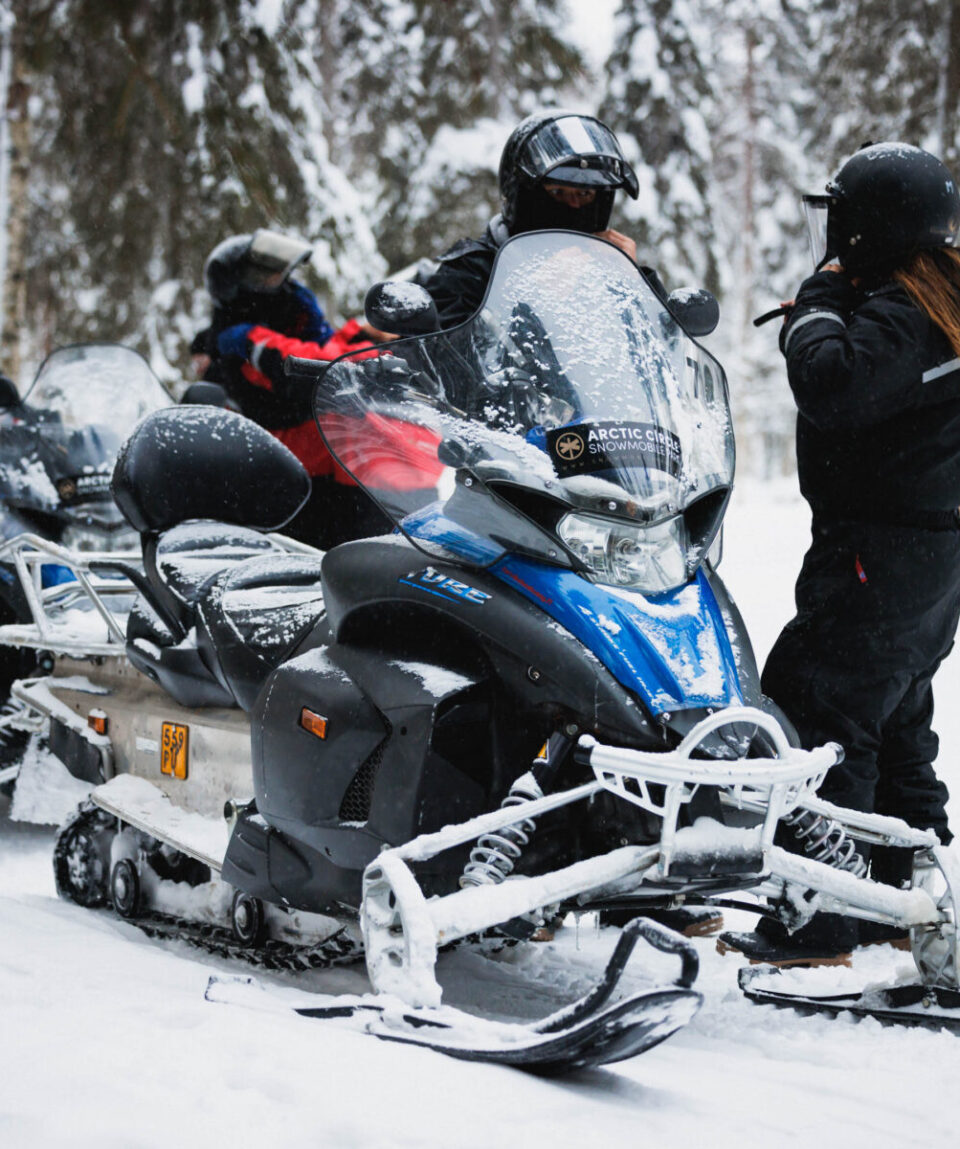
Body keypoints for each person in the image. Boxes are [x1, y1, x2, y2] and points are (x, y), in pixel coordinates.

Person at [719, 142, 960, 965]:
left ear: (871, 224)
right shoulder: (942, 300)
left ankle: (819, 917)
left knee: (816, 710)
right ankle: (901, 895)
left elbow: (832, 384)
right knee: (892, 718)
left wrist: (816, 303)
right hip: (923, 552)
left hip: (879, 548)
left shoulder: (901, 310)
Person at [191, 229, 393, 548]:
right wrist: (367, 347)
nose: (282, 284)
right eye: (268, 277)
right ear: (240, 287)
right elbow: (311, 367)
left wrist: (362, 334)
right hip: (293, 477)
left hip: (330, 467)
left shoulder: (291, 314)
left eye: (280, 274)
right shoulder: (240, 337)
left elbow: (324, 344)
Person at [424, 110, 668, 329]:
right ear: (523, 196)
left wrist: (638, 288)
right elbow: (450, 362)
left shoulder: (612, 275)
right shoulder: (472, 272)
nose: (573, 206)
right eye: (557, 193)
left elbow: (666, 356)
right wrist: (534, 298)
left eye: (584, 194)